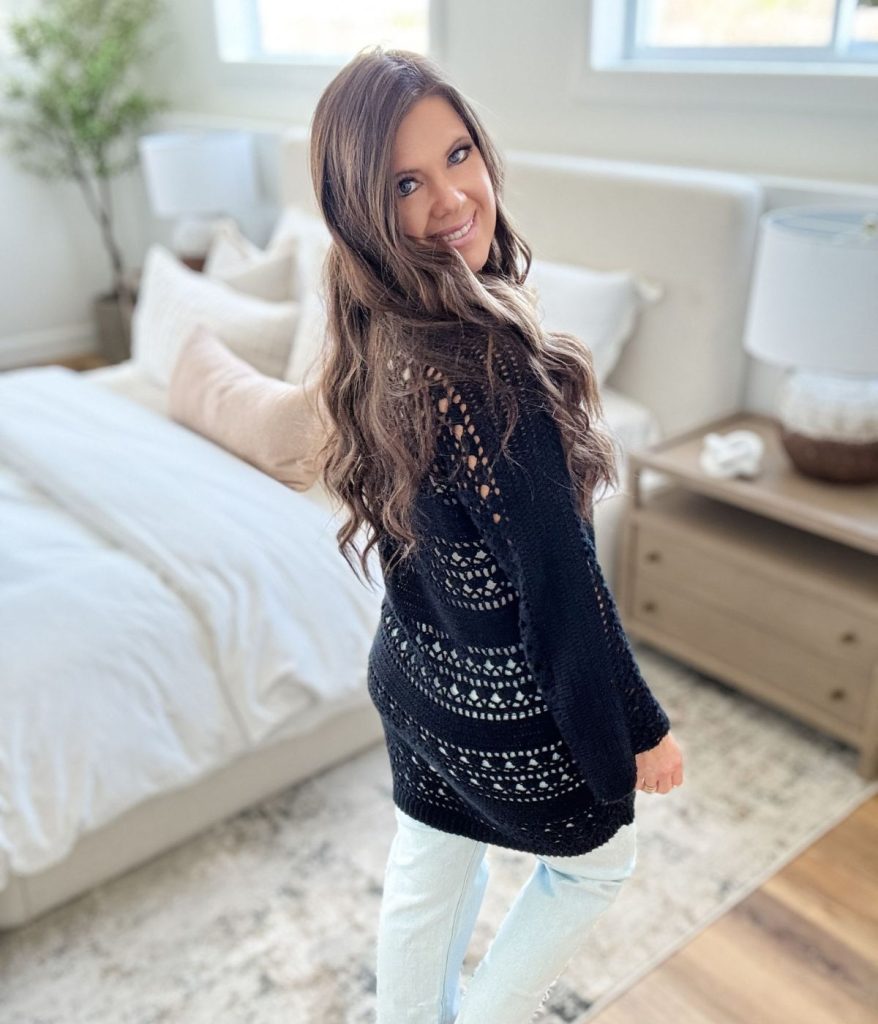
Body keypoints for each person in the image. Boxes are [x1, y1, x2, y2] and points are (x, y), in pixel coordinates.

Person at [306, 45, 684, 1024]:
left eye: (458, 155)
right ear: (360, 208)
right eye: (404, 182)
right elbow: (561, 592)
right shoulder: (486, 369)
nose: (449, 198)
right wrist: (631, 737)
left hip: (410, 681)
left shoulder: (375, 332)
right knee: (599, 867)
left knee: (429, 871)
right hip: (495, 710)